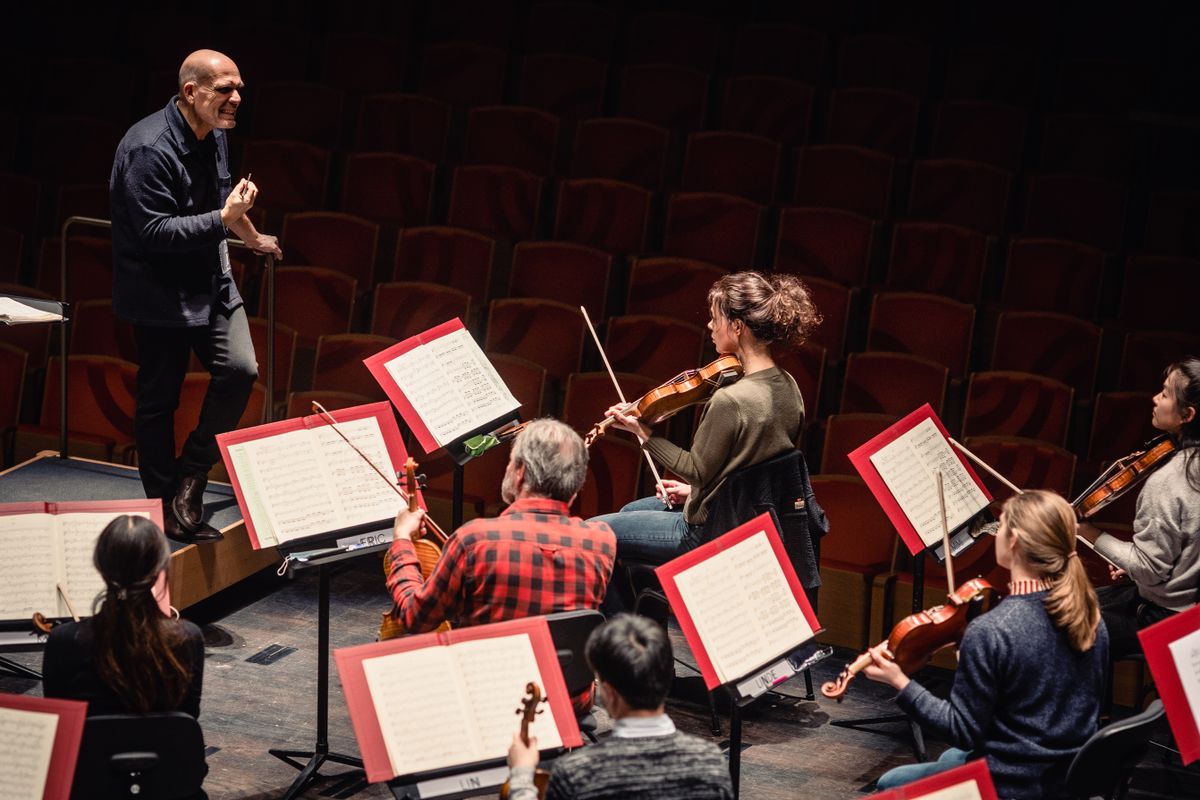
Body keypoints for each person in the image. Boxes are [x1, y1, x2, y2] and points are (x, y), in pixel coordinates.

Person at [110, 49, 283, 543]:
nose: (237, 98)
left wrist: (250, 236)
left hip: (211, 279)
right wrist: (224, 220)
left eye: (239, 88)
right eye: (225, 89)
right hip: (160, 290)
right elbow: (155, 233)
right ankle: (164, 503)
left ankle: (193, 472)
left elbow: (220, 198)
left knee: (241, 370)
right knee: (158, 400)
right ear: (192, 92)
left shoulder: (216, 132)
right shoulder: (148, 149)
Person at [590, 270, 821, 610]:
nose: (710, 326)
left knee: (591, 536)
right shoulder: (789, 386)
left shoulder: (731, 400)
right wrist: (694, 494)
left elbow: (697, 470)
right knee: (630, 512)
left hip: (709, 530)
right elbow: (752, 469)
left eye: (715, 318)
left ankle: (626, 634)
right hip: (745, 517)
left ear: (737, 327)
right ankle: (648, 612)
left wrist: (642, 432)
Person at [863, 490, 1109, 799]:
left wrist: (900, 681)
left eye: (1000, 524)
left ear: (1014, 541)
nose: (996, 531)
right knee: (951, 758)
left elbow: (962, 731)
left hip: (1011, 783)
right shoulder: (1091, 616)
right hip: (1066, 777)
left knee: (892, 781)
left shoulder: (992, 630)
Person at [387, 419, 615, 706]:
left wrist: (402, 540)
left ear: (520, 473)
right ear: (575, 488)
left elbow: (414, 617)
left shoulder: (475, 539)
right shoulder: (601, 541)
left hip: (489, 705)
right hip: (566, 706)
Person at [506, 614, 733, 800]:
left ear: (609, 694)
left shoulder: (577, 773)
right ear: (665, 680)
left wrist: (521, 773)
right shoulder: (711, 763)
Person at [1079, 358, 1200, 659]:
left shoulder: (1169, 481)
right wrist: (1139, 569)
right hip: (1191, 610)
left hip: (1168, 617)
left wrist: (1086, 531)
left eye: (1165, 394)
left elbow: (1149, 570)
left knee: (1061, 623)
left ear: (1187, 415)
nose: (1155, 399)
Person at [43, 515, 205, 719]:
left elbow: (59, 720)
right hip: (163, 741)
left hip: (91, 742)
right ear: (159, 570)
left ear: (100, 568)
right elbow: (188, 716)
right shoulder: (188, 638)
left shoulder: (63, 640)